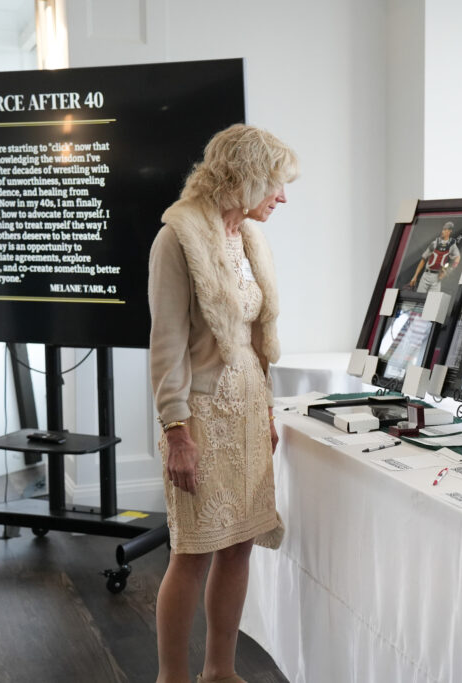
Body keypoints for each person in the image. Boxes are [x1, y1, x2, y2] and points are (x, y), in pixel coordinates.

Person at [148, 124, 298, 683]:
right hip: (201, 416)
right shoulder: (177, 237)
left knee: (239, 546)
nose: (281, 197)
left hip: (248, 411)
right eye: (276, 185)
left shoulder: (248, 237)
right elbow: (166, 345)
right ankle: (172, 677)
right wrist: (177, 433)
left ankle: (219, 671)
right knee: (193, 549)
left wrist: (266, 412)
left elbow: (257, 339)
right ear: (246, 178)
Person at [408, 220, 461, 292]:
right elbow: (423, 259)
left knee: (433, 301)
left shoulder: (452, 245)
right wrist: (415, 277)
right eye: (443, 229)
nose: (443, 231)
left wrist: (448, 270)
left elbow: (457, 258)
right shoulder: (434, 243)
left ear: (450, 231)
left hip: (437, 278)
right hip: (426, 275)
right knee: (419, 300)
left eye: (445, 230)